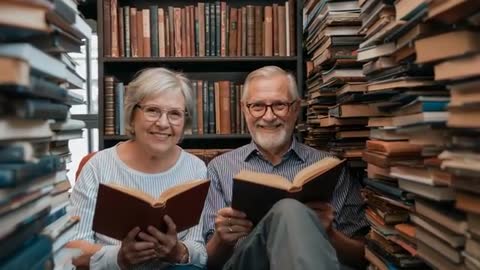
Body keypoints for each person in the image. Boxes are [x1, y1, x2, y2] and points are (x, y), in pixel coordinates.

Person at [202, 66, 369, 270]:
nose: (269, 116)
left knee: (290, 212)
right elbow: (208, 263)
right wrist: (222, 239)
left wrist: (329, 233)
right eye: (257, 106)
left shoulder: (329, 168)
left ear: (296, 108)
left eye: (279, 105)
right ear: (244, 108)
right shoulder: (219, 168)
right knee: (288, 209)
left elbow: (362, 257)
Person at [68, 68, 207, 270]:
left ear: (185, 122)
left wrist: (178, 251)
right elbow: (73, 250)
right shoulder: (97, 167)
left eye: (175, 114)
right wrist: (118, 257)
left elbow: (199, 250)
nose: (163, 123)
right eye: (152, 110)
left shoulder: (196, 169)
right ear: (133, 114)